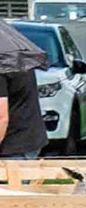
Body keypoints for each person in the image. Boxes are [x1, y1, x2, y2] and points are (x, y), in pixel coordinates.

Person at [0, 21, 49, 161]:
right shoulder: (12, 53)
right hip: (26, 139)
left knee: (11, 183)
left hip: (14, 147)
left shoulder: (4, 64)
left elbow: (1, 118)